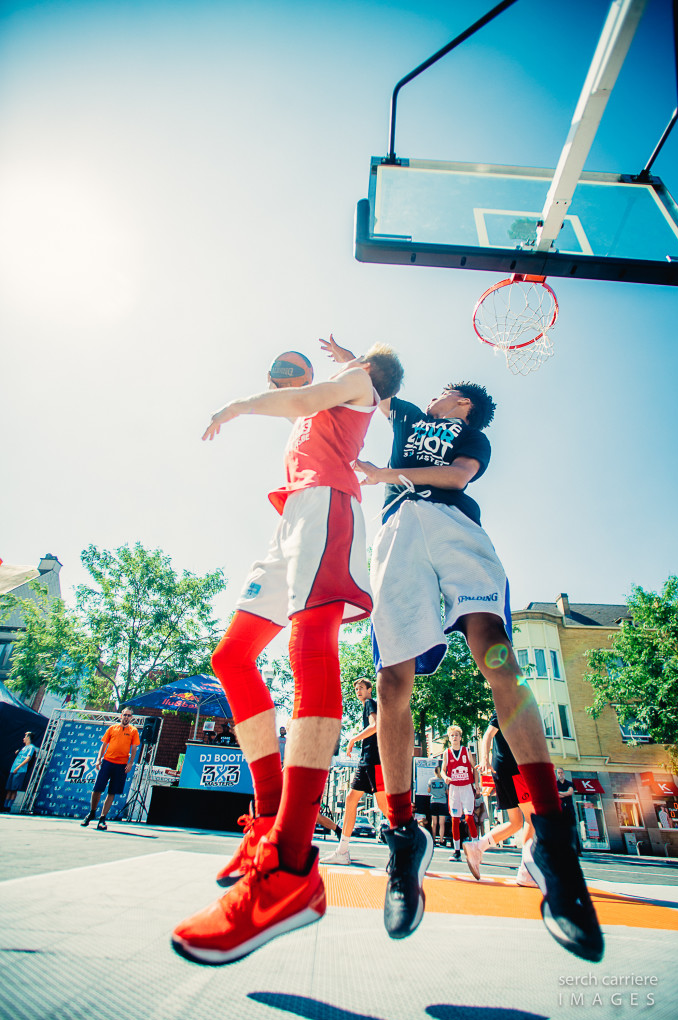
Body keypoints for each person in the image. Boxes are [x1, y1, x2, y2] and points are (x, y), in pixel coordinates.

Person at [321, 335, 603, 962]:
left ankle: (552, 838)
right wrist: (349, 355)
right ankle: (403, 838)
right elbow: (378, 387)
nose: (437, 392)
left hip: (454, 528)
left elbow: (454, 477)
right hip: (398, 537)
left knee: (496, 655)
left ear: (466, 406)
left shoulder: (471, 439)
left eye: (450, 390)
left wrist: (387, 472)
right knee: (392, 684)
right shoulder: (411, 418)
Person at [171, 340, 404, 965]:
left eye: (353, 365)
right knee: (233, 656)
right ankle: (270, 823)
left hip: (328, 508)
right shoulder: (357, 387)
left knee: (309, 651)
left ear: (368, 374)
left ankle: (292, 865)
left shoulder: (353, 385)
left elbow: (311, 394)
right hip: (293, 518)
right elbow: (349, 388)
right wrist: (356, 354)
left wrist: (238, 405)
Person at [462, 713, 537, 886]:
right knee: (533, 819)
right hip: (512, 769)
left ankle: (477, 847)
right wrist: (484, 760)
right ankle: (526, 872)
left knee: (516, 822)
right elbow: (488, 734)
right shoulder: (508, 704)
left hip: (507, 768)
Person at [322, 677, 389, 865]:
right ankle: (342, 851)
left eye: (361, 688)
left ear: (369, 690)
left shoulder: (370, 703)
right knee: (351, 800)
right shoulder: (367, 704)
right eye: (356, 689)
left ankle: (409, 841)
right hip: (366, 761)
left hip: (373, 761)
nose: (358, 691)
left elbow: (374, 726)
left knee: (384, 806)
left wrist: (353, 740)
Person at [81, 708, 140, 830]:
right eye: (125, 715)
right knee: (97, 789)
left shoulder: (133, 731)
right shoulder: (112, 728)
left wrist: (130, 763)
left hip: (121, 765)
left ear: (131, 718)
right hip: (108, 762)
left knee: (112, 792)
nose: (126, 717)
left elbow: (134, 748)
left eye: (129, 716)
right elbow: (104, 745)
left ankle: (102, 818)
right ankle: (92, 813)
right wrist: (98, 759)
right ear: (121, 716)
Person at [441, 725, 478, 861]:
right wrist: (445, 777)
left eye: (457, 735)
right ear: (449, 739)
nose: (454, 737)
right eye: (452, 735)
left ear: (461, 737)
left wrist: (477, 784)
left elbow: (474, 768)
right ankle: (457, 851)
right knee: (455, 819)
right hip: (454, 789)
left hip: (467, 787)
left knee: (469, 818)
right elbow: (443, 770)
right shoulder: (446, 753)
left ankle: (475, 849)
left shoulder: (466, 751)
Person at [3, 731, 38, 812]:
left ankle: (9, 807)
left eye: (25, 736)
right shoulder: (23, 748)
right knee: (9, 789)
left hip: (20, 770)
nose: (23, 738)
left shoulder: (31, 747)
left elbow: (28, 759)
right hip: (13, 769)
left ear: (28, 737)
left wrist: (18, 767)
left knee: (14, 789)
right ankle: (5, 806)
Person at [427, 765, 448, 845]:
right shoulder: (444, 781)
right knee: (442, 823)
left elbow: (428, 791)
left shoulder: (431, 780)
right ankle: (441, 840)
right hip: (442, 802)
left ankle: (433, 839)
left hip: (434, 802)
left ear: (434, 772)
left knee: (434, 822)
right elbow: (447, 792)